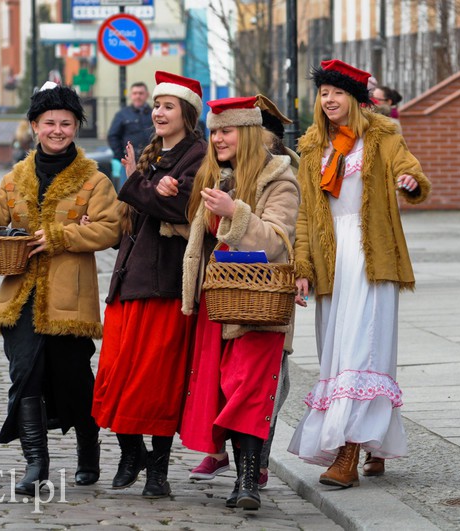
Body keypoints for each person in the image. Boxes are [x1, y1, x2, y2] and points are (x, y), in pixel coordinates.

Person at [0, 82, 121, 496]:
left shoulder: (94, 180)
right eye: (49, 122)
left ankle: (88, 446)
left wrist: (61, 235)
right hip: (21, 297)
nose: (57, 130)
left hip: (70, 297)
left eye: (66, 123)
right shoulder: (18, 176)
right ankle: (36, 463)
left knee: (73, 378)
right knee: (24, 372)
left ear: (76, 128)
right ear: (34, 126)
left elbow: (111, 227)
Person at [287, 59, 430, 487]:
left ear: (355, 98)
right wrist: (303, 266)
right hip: (333, 262)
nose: (329, 100)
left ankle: (348, 452)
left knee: (362, 349)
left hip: (371, 255)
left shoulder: (382, 136)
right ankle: (375, 439)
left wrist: (408, 180)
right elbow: (306, 217)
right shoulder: (313, 146)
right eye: (324, 92)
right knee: (338, 354)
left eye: (338, 92)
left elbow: (411, 170)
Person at [178, 96, 300, 510]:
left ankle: (248, 482)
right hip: (218, 304)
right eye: (214, 132)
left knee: (248, 390)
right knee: (224, 391)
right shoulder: (214, 175)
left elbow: (277, 242)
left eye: (226, 131)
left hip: (259, 306)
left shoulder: (280, 180)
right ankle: (238, 473)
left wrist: (237, 213)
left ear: (246, 133)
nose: (217, 139)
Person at [91, 71, 206, 498]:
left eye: (167, 106)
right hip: (128, 282)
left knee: (157, 384)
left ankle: (157, 472)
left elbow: (180, 208)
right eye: (156, 105)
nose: (158, 112)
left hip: (165, 287)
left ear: (187, 113)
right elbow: (144, 208)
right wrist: (142, 185)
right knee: (114, 376)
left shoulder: (199, 156)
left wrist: (141, 185)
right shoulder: (150, 156)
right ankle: (131, 451)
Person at [108, 82, 154, 190]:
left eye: (141, 93)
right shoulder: (122, 115)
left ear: (147, 95)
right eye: (135, 93)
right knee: (127, 193)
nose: (138, 96)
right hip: (130, 163)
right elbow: (113, 136)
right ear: (130, 95)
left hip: (151, 162)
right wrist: (122, 157)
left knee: (149, 193)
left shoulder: (154, 114)